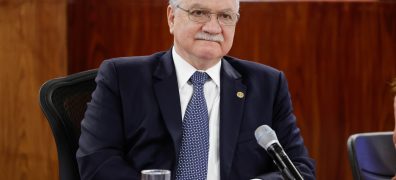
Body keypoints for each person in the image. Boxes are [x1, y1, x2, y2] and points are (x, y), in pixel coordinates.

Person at [76, 0, 316, 179]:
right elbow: (96, 161)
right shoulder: (122, 78)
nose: (213, 28)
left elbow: (299, 168)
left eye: (225, 16)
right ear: (171, 17)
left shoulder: (267, 84)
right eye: (199, 13)